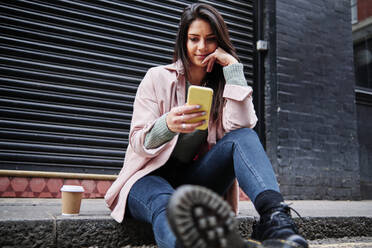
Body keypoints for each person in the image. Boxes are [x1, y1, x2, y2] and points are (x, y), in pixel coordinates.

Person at [105, 3, 308, 248]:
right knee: (166, 203)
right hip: (147, 179)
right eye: (194, 39)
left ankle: (276, 221)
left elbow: (242, 129)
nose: (201, 47)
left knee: (243, 137)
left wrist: (233, 70)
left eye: (210, 39)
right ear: (184, 41)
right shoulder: (157, 78)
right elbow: (138, 142)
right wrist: (167, 125)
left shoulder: (222, 86)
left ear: (219, 43)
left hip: (194, 180)